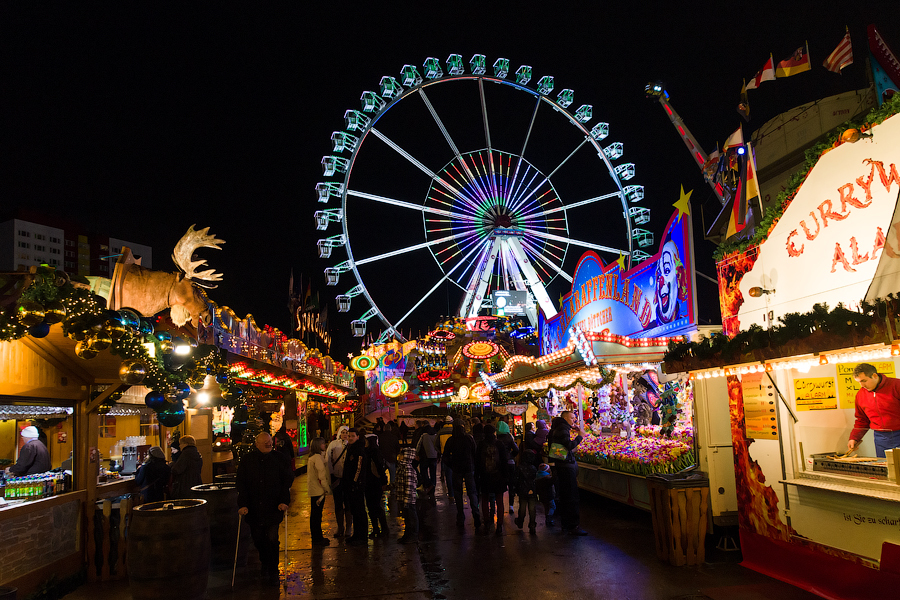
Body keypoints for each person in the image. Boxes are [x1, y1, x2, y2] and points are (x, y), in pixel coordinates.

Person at [237, 432, 294, 587]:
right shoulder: (248, 460)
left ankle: (273, 570)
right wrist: (242, 504)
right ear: (257, 444)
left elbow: (286, 482)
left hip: (273, 507)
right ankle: (265, 562)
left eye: (270, 441)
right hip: (254, 509)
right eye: (265, 442)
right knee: (258, 538)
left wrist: (284, 501)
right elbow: (241, 484)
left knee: (272, 538)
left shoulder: (280, 459)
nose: (269, 444)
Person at [848, 363, 900, 457]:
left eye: (864, 381)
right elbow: (862, 420)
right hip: (880, 437)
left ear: (874, 376)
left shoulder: (897, 385)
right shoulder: (860, 395)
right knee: (885, 467)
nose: (862, 385)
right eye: (859, 382)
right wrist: (854, 438)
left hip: (898, 432)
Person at [549, 411, 587, 535]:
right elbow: (569, 445)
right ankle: (573, 525)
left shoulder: (558, 428)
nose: (574, 420)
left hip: (562, 465)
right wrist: (580, 437)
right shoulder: (562, 429)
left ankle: (566, 524)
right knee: (571, 496)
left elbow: (560, 449)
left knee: (565, 496)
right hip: (566, 467)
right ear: (565, 418)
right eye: (571, 418)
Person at [442, 422, 480, 528]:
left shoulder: (451, 440)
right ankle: (475, 512)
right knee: (472, 492)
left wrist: (451, 464)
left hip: (457, 469)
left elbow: (445, 456)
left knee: (458, 493)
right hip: (469, 468)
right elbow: (475, 452)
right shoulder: (469, 439)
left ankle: (460, 516)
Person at [475, 424, 510, 535]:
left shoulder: (481, 444)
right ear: (494, 432)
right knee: (499, 501)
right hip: (498, 476)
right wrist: (505, 476)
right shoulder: (499, 444)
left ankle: (486, 522)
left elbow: (477, 462)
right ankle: (499, 524)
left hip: (485, 476)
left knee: (485, 499)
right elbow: (504, 461)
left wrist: (478, 476)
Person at [343, 428, 369, 545]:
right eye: (349, 436)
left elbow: (358, 468)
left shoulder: (358, 450)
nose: (350, 438)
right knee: (354, 510)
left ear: (357, 436)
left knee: (359, 511)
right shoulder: (351, 448)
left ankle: (362, 536)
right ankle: (357, 534)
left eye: (352, 436)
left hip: (356, 486)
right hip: (350, 485)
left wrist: (354, 483)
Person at [326, 425, 352, 538]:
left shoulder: (351, 445)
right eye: (343, 432)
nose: (345, 434)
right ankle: (340, 527)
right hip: (337, 478)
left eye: (347, 432)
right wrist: (331, 475)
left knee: (348, 503)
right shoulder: (333, 445)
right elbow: (328, 460)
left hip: (348, 478)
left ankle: (349, 528)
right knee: (338, 503)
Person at [307, 437, 332, 547]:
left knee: (315, 515)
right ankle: (317, 538)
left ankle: (317, 537)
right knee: (317, 515)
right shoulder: (317, 458)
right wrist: (327, 488)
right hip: (318, 491)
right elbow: (321, 475)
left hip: (314, 490)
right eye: (322, 444)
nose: (324, 445)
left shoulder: (313, 457)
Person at [364, 434, 389, 538]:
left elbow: (380, 469)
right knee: (371, 506)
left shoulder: (375, 453)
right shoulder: (367, 452)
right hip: (369, 483)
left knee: (376, 506)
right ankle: (376, 529)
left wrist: (383, 482)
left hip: (375, 483)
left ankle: (383, 529)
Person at [395, 447, 419, 543]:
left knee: (411, 517)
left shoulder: (408, 469)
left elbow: (409, 487)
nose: (399, 457)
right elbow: (399, 482)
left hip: (408, 500)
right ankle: (407, 535)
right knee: (407, 518)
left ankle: (413, 535)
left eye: (401, 455)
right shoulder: (402, 467)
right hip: (403, 498)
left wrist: (406, 502)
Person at [514, 449, 539, 534]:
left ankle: (520, 521)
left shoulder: (519, 468)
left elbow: (516, 479)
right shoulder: (534, 468)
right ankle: (532, 525)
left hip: (522, 490)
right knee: (532, 509)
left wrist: (515, 489)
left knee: (522, 507)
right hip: (532, 491)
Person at [495, 421, 518, 514]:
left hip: (499, 464)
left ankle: (500, 505)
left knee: (500, 485)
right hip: (510, 463)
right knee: (511, 484)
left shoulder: (496, 439)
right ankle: (511, 505)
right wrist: (511, 456)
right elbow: (516, 449)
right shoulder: (509, 437)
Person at [170, 435, 203, 499]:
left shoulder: (186, 453)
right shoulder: (196, 453)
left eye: (181, 444)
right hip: (196, 481)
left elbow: (177, 469)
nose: (179, 446)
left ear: (185, 444)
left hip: (185, 484)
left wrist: (172, 466)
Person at [416, 421, 439, 497]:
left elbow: (419, 444)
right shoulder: (435, 433)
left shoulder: (423, 433)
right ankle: (433, 487)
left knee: (423, 470)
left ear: (423, 425)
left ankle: (429, 484)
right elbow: (438, 444)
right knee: (433, 473)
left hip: (425, 456)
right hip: (434, 456)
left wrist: (417, 453)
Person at [378, 421, 400, 499]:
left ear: (384, 429)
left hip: (383, 459)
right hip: (392, 458)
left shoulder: (380, 437)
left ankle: (381, 487)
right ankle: (393, 490)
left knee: (381, 474)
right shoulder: (394, 437)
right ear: (390, 429)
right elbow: (398, 448)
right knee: (392, 475)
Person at [436, 416, 455, 499]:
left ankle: (451, 494)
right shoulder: (455, 431)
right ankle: (457, 493)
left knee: (448, 475)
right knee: (456, 475)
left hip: (445, 455)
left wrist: (440, 451)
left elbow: (435, 444)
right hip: (455, 455)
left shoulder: (440, 431)